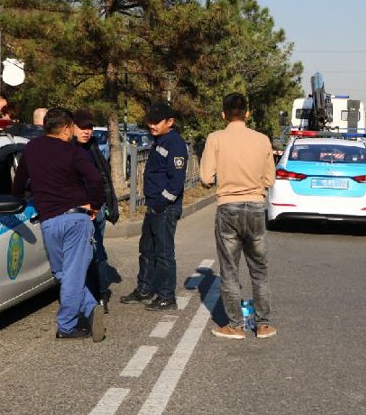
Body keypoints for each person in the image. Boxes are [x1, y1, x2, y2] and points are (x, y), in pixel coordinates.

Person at [11, 107, 106, 341]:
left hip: (49, 220)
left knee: (62, 271)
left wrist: (18, 198)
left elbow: (19, 183)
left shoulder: (31, 148)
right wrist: (94, 205)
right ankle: (67, 325)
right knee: (71, 273)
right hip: (77, 218)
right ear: (65, 129)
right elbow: (96, 179)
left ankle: (90, 308)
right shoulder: (73, 152)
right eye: (71, 128)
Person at [200, 92, 276, 340]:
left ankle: (234, 326)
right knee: (259, 270)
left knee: (230, 270)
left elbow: (205, 178)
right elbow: (270, 179)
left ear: (223, 114)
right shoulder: (263, 140)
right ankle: (263, 324)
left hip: (228, 208)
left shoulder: (215, 139)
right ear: (248, 114)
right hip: (255, 208)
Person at [120, 102, 187, 311]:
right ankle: (144, 289)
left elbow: (176, 183)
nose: (151, 125)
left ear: (170, 122)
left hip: (164, 208)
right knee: (147, 250)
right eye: (150, 121)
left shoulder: (174, 144)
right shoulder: (160, 140)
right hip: (154, 206)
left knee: (164, 252)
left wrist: (161, 203)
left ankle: (167, 296)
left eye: (156, 122)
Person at [72, 108, 119, 313]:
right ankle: (85, 297)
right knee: (81, 257)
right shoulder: (68, 149)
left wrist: (106, 205)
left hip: (95, 210)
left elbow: (103, 179)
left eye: (90, 127)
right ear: (71, 127)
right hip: (77, 211)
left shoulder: (93, 148)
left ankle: (100, 296)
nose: (86, 131)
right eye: (82, 127)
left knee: (98, 254)